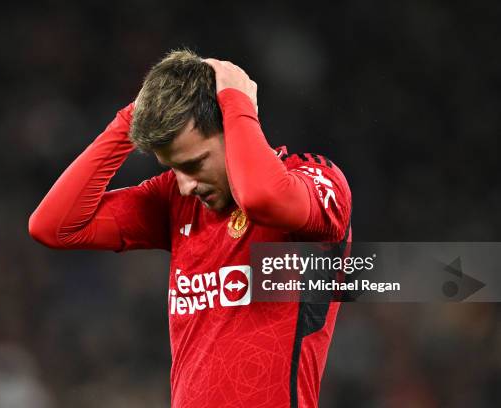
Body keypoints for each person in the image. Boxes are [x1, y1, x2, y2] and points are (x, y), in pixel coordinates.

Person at [29, 49, 352, 407]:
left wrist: (235, 100)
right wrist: (133, 116)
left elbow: (262, 198)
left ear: (233, 127)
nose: (184, 184)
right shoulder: (176, 200)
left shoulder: (316, 179)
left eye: (195, 163)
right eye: (173, 168)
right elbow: (54, 226)